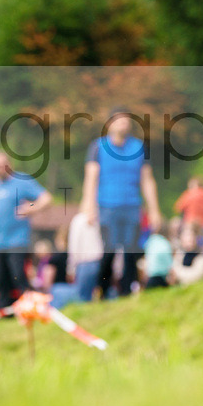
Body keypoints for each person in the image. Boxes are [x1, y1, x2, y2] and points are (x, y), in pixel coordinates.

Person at [81, 107, 162, 298]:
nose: (124, 123)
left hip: (132, 206)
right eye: (119, 120)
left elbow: (147, 180)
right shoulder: (98, 147)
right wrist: (88, 206)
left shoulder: (139, 147)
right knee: (108, 251)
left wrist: (154, 210)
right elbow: (91, 178)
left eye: (126, 120)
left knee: (130, 251)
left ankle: (127, 291)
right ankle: (102, 290)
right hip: (107, 206)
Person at [0, 151, 53, 308]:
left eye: (2, 165)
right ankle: (4, 314)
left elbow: (46, 199)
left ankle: (31, 308)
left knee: (18, 277)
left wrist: (32, 208)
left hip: (17, 241)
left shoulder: (22, 181)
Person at [66, 209, 103, 304]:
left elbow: (74, 245)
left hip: (85, 264)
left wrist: (71, 268)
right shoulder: (103, 218)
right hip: (102, 262)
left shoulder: (78, 220)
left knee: (83, 300)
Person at [142, 224, 173, 290]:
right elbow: (169, 263)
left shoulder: (151, 240)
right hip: (161, 277)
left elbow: (147, 258)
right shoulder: (165, 243)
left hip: (150, 277)